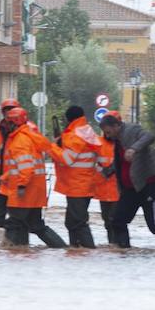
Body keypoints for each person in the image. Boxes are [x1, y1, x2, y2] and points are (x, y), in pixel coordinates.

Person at [99, 112, 155, 249]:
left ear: (116, 126)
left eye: (108, 132)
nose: (107, 136)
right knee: (117, 220)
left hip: (147, 185)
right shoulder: (117, 141)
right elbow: (120, 163)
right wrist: (105, 172)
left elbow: (149, 136)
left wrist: (134, 149)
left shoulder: (132, 130)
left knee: (154, 224)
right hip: (130, 189)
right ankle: (124, 251)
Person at [0, 107, 70, 247]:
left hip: (24, 193)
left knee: (13, 223)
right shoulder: (30, 136)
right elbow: (19, 167)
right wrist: (3, 178)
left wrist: (21, 185)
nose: (5, 125)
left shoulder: (19, 141)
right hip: (35, 191)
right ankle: (61, 248)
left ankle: (12, 251)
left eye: (8, 122)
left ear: (14, 123)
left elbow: (26, 167)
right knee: (36, 225)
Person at [55, 106, 113, 248]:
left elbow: (67, 159)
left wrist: (51, 147)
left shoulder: (75, 134)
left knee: (78, 222)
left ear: (69, 119)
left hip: (78, 185)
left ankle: (87, 250)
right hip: (83, 184)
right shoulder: (86, 131)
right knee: (72, 222)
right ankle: (76, 250)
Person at [0, 98, 23, 230]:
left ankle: (15, 234)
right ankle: (12, 233)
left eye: (11, 110)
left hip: (16, 181)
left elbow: (23, 161)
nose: (9, 114)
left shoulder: (22, 131)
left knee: (18, 216)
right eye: (6, 111)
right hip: (1, 182)